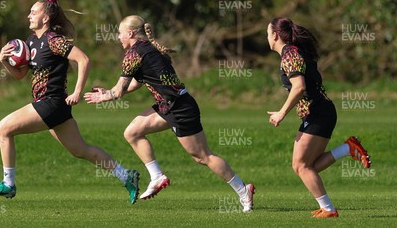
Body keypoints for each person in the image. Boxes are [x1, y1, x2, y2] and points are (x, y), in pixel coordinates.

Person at [84, 15, 254, 212]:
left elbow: (120, 90)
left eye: (120, 34)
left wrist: (103, 97)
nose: (118, 37)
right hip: (170, 105)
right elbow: (139, 82)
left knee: (202, 157)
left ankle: (243, 190)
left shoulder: (133, 54)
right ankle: (157, 177)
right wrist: (108, 93)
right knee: (132, 132)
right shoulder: (148, 49)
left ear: (130, 33)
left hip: (179, 109)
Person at [0, 0, 140, 204]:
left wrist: (76, 91)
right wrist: (4, 60)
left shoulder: (54, 40)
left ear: (45, 18)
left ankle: (8, 184)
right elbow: (20, 75)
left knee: (2, 129)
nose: (29, 15)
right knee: (81, 150)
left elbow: (84, 60)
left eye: (34, 12)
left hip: (51, 103)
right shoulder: (31, 41)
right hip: (56, 108)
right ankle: (127, 176)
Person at [266, 17, 372, 218]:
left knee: (301, 165)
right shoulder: (292, 52)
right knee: (306, 167)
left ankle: (329, 209)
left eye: (267, 33)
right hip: (320, 113)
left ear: (275, 35)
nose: (267, 37)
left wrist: (281, 113)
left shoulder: (290, 54)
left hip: (319, 113)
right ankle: (348, 148)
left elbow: (299, 87)